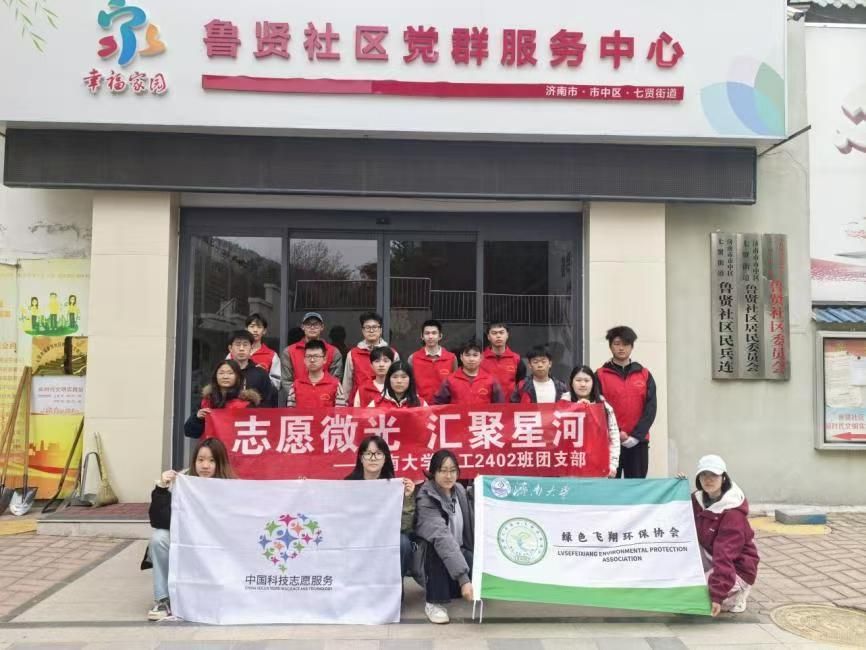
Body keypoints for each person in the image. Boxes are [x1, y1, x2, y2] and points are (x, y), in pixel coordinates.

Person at [141, 437, 236, 621]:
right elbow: (158, 520)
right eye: (201, 460)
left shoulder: (231, 485)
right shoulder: (181, 481)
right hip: (187, 541)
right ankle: (163, 599)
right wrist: (161, 489)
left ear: (220, 462)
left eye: (211, 460)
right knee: (159, 538)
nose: (205, 465)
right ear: (194, 461)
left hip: (216, 545)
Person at [691, 454, 760, 616]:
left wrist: (716, 595)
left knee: (695, 597)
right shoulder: (698, 500)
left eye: (714, 475)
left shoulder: (732, 514)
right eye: (703, 474)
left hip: (737, 568)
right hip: (710, 556)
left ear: (723, 478)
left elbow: (724, 555)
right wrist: (677, 484)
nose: (708, 479)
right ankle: (719, 588)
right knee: (683, 588)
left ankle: (737, 594)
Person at [412, 450, 474, 625]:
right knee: (435, 545)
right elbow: (442, 538)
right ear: (433, 472)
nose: (448, 476)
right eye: (443, 470)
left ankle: (456, 588)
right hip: (431, 564)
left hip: (458, 557)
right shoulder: (426, 497)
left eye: (453, 470)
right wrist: (464, 579)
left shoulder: (459, 491)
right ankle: (434, 602)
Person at [345, 435, 416, 577]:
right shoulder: (348, 485)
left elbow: (405, 527)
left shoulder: (394, 487)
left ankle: (395, 586)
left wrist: (408, 498)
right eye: (368, 453)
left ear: (385, 458)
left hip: (384, 538)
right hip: (356, 538)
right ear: (361, 458)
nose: (373, 458)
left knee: (403, 542)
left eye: (378, 453)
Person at [596, 326, 657, 479]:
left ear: (632, 346)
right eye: (617, 344)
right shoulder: (600, 375)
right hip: (609, 442)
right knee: (610, 487)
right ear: (610, 346)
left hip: (638, 442)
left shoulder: (644, 374)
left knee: (637, 487)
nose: (621, 348)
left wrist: (635, 436)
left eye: (625, 344)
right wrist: (616, 434)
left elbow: (651, 408)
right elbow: (598, 409)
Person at [566, 365, 620, 478]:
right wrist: (575, 409)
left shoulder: (604, 405)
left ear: (593, 383)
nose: (582, 384)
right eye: (578, 380)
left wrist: (613, 464)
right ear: (571, 382)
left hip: (598, 465)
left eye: (587, 380)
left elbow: (614, 436)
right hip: (571, 466)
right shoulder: (562, 404)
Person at [184, 360, 262, 438]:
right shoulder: (206, 401)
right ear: (215, 377)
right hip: (210, 445)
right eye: (221, 373)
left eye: (230, 373)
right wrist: (197, 418)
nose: (225, 377)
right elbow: (190, 432)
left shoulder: (246, 404)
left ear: (238, 377)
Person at [280, 312, 343, 405]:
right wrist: (302, 396)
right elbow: (286, 380)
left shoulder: (334, 352)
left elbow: (335, 380)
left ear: (322, 327)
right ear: (302, 327)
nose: (312, 327)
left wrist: (317, 397)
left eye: (316, 324)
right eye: (308, 324)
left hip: (325, 403)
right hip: (298, 403)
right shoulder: (289, 351)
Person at [342, 312, 400, 404]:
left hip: (386, 403)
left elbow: (397, 380)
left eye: (375, 327)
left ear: (380, 330)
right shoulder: (353, 354)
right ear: (362, 330)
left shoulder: (392, 353)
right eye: (367, 327)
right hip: (360, 403)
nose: (371, 331)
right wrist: (345, 404)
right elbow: (347, 383)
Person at [433, 340, 504, 405]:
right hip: (458, 415)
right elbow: (438, 405)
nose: (471, 359)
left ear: (481, 358)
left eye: (475, 355)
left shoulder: (491, 380)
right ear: (461, 357)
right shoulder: (450, 380)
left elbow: (500, 406)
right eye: (467, 355)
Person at [407, 319, 458, 405]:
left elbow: (455, 385)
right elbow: (409, 384)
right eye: (427, 333)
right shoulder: (413, 358)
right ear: (422, 336)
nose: (430, 337)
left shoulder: (451, 358)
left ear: (440, 336)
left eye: (434, 333)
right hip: (419, 407)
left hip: (444, 407)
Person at [286, 340, 347, 408]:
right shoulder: (296, 385)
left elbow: (340, 412)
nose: (312, 360)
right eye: (309, 356)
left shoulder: (335, 385)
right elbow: (290, 412)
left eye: (316, 356)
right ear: (304, 360)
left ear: (324, 359)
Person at [226, 330, 277, 407]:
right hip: (226, 414)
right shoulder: (223, 372)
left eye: (245, 345)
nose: (241, 348)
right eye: (238, 344)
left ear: (251, 347)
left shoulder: (260, 374)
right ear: (230, 348)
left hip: (254, 414)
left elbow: (268, 402)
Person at [481, 321, 526, 400]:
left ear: (507, 335)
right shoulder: (480, 359)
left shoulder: (516, 359)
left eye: (501, 332)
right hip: (486, 404)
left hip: (511, 405)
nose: (498, 336)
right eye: (494, 333)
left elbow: (521, 384)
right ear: (488, 337)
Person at [245, 313, 281, 391]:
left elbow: (277, 383)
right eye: (252, 326)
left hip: (262, 397)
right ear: (246, 329)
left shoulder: (272, 355)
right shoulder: (234, 353)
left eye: (259, 327)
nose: (255, 330)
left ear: (264, 331)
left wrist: (262, 375)